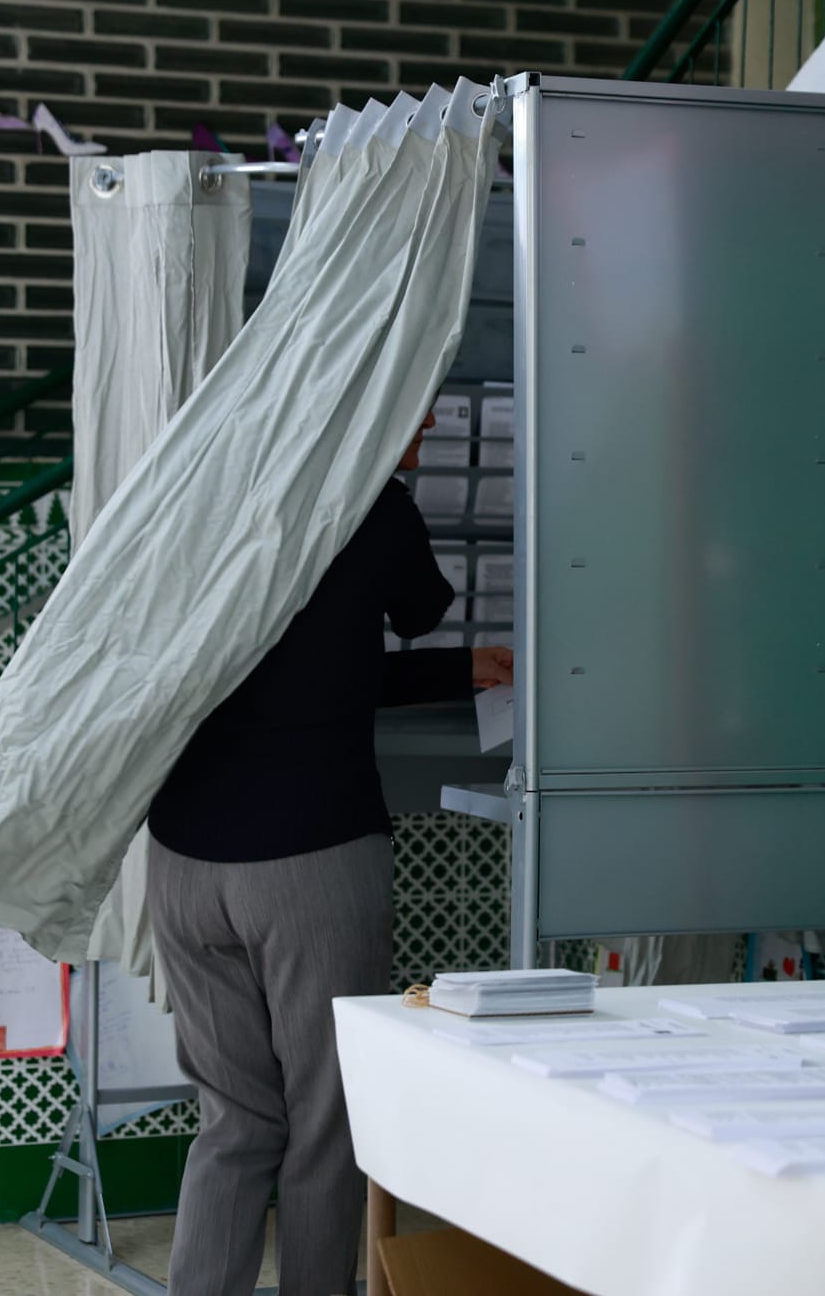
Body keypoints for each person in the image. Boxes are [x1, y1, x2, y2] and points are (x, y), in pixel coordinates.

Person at [145, 409, 511, 1296]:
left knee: (233, 1120)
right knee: (325, 1120)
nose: (426, 425)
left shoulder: (214, 499)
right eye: (415, 408)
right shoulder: (370, 504)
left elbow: (301, 670)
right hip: (308, 858)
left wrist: (464, 670)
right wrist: (391, 484)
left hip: (183, 859)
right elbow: (422, 609)